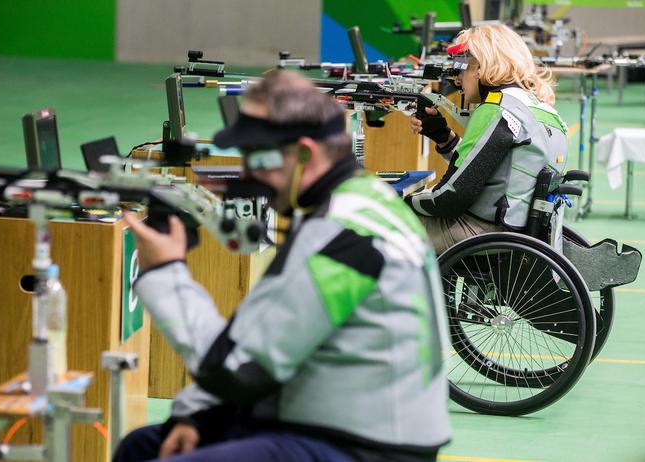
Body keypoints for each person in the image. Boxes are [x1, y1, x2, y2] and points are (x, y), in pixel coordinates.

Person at [114, 70, 450, 462]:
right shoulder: (361, 198)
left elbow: (234, 367)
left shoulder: (339, 233)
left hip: (365, 446)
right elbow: (265, 335)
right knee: (143, 446)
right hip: (341, 418)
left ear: (304, 153)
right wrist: (197, 414)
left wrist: (164, 273)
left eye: (260, 158)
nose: (250, 174)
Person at [407, 24, 568, 254]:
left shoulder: (497, 109)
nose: (457, 79)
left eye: (461, 67)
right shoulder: (538, 108)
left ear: (480, 67)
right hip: (516, 231)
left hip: (482, 232)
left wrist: (406, 200)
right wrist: (443, 136)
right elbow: (493, 169)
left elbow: (453, 197)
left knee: (382, 226)